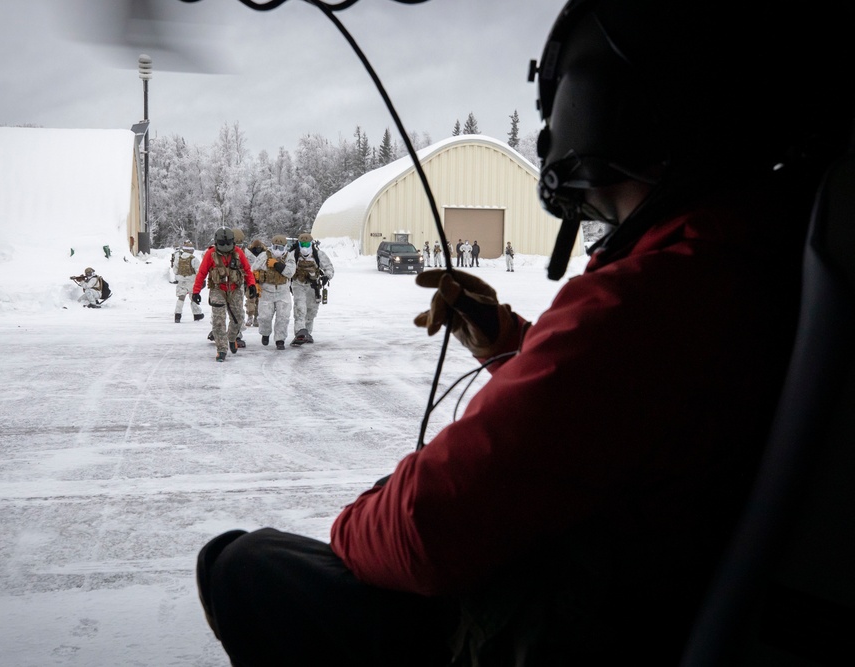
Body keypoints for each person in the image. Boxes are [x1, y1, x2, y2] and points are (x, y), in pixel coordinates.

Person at [195, 0, 853, 664]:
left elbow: (429, 526)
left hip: (585, 627)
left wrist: (350, 527)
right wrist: (504, 340)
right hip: (651, 598)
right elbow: (596, 423)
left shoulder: (650, 298)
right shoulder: (750, 260)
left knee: (242, 564)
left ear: (599, 103)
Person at [192, 227, 257, 362]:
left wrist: (251, 285)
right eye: (222, 244)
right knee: (219, 321)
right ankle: (221, 349)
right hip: (218, 289)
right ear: (216, 243)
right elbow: (201, 273)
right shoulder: (211, 254)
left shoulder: (238, 253)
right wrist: (196, 291)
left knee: (238, 318)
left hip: (235, 290)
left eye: (228, 244)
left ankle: (232, 337)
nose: (226, 247)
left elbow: (247, 270)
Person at [251, 234, 296, 350]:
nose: (277, 250)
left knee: (283, 317)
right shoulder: (264, 256)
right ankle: (265, 333)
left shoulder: (289, 257)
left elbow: (290, 272)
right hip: (267, 291)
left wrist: (277, 264)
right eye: (275, 247)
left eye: (280, 248)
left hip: (283, 291)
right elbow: (254, 269)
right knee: (265, 317)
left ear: (285, 248)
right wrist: (256, 284)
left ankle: (280, 340)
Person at [289, 232, 334, 346]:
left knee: (311, 311)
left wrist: (326, 276)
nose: (304, 246)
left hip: (313, 286)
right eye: (302, 244)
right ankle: (300, 332)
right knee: (300, 308)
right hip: (298, 284)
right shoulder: (293, 255)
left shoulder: (318, 254)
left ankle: (307, 333)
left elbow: (329, 268)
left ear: (311, 243)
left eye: (306, 244)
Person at [170, 240, 204, 323]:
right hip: (191, 282)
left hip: (181, 282)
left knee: (181, 298)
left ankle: (177, 315)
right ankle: (197, 314)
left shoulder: (178, 258)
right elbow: (198, 271)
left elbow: (175, 270)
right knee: (193, 298)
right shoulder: (194, 259)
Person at [244, 238, 266, 327]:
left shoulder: (264, 254)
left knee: (259, 300)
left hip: (261, 281)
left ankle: (257, 317)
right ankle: (250, 316)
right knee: (250, 299)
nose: (257, 248)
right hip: (250, 280)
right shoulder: (248, 254)